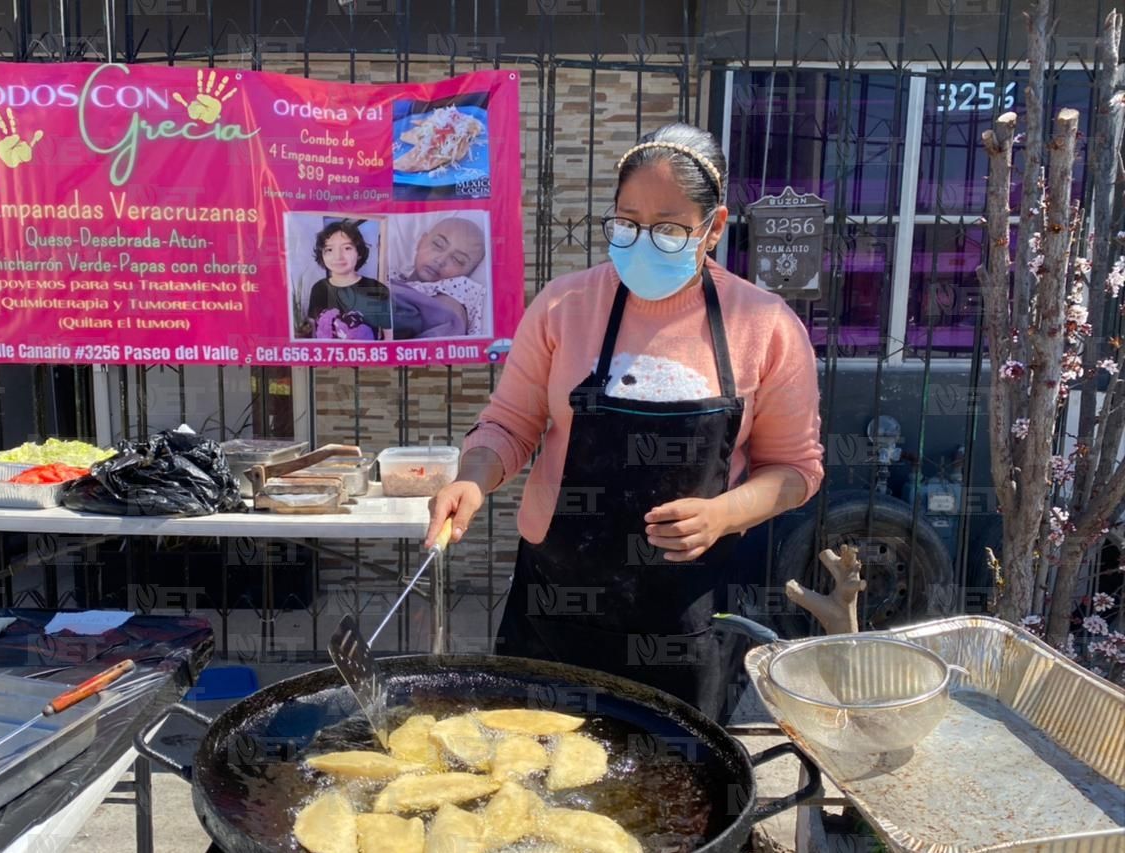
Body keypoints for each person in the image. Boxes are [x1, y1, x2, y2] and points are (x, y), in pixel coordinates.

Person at [424, 123, 825, 724]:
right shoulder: (564, 307)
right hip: (557, 600)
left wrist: (723, 514)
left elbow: (794, 469)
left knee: (674, 784)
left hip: (683, 616)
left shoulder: (765, 326)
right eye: (627, 222)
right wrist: (473, 479)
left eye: (667, 228)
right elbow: (509, 423)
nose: (642, 241)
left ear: (713, 229)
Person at [389, 216, 487, 338]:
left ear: (468, 274)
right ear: (421, 242)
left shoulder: (450, 304)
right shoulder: (390, 276)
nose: (441, 260)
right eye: (438, 244)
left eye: (458, 259)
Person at [300, 220, 393, 340]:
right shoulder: (319, 288)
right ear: (322, 255)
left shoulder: (377, 289)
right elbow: (314, 332)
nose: (338, 256)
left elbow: (389, 337)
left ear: (358, 252)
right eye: (329, 250)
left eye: (347, 248)